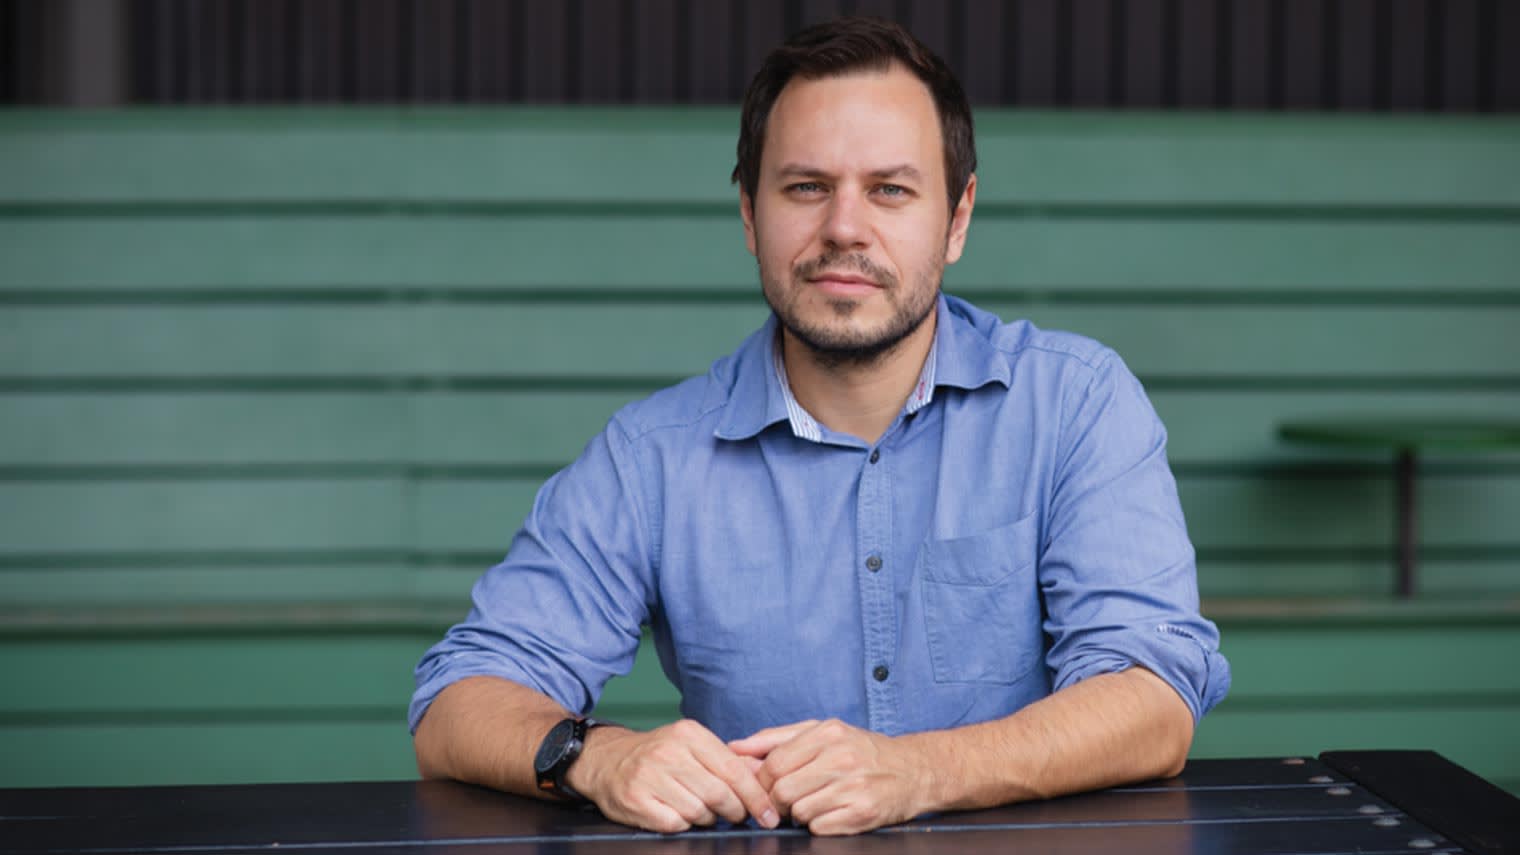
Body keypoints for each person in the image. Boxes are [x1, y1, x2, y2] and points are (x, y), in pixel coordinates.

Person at [410, 16, 1229, 837]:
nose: (844, 226)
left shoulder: (1075, 404)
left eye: (890, 189)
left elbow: (1153, 697)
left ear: (957, 219)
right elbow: (457, 699)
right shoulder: (652, 458)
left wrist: (918, 769)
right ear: (748, 213)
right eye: (805, 186)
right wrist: (595, 754)